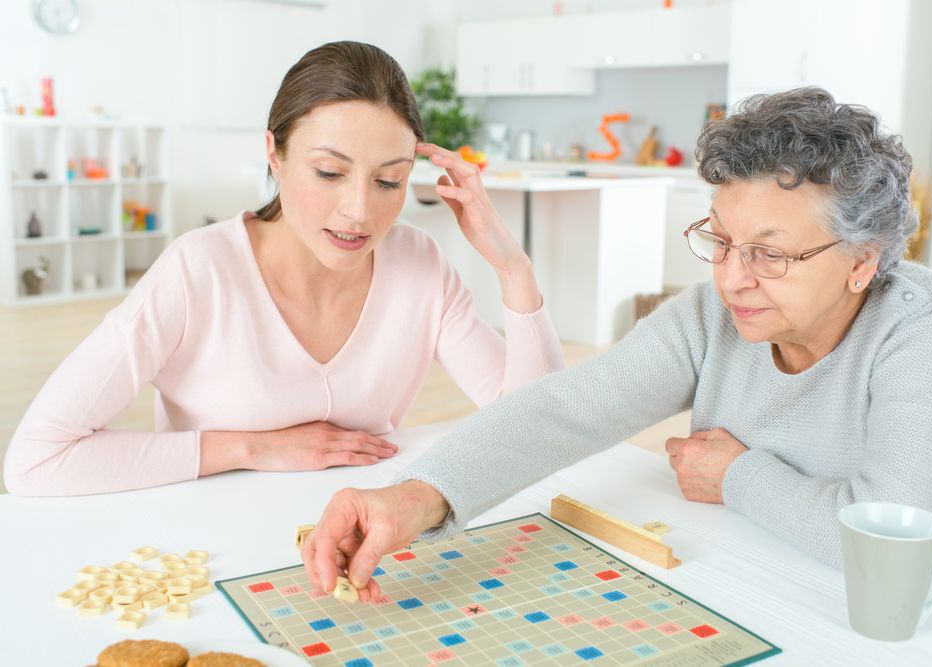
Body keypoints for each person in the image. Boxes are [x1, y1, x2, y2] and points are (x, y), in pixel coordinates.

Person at [299, 87, 932, 599]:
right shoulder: (712, 316)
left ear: (862, 259)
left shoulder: (928, 324)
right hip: (749, 582)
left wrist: (736, 476)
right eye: (720, 240)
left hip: (911, 625)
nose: (731, 279)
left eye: (769, 255)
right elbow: (566, 408)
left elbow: (895, 549)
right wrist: (413, 498)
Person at [4, 42, 564, 496]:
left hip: (367, 543)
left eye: (389, 180)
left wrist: (512, 267)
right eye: (328, 172)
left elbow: (540, 429)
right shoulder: (198, 271)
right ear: (274, 155)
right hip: (210, 545)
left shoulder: (419, 265)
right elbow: (35, 460)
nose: (359, 212)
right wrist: (253, 447)